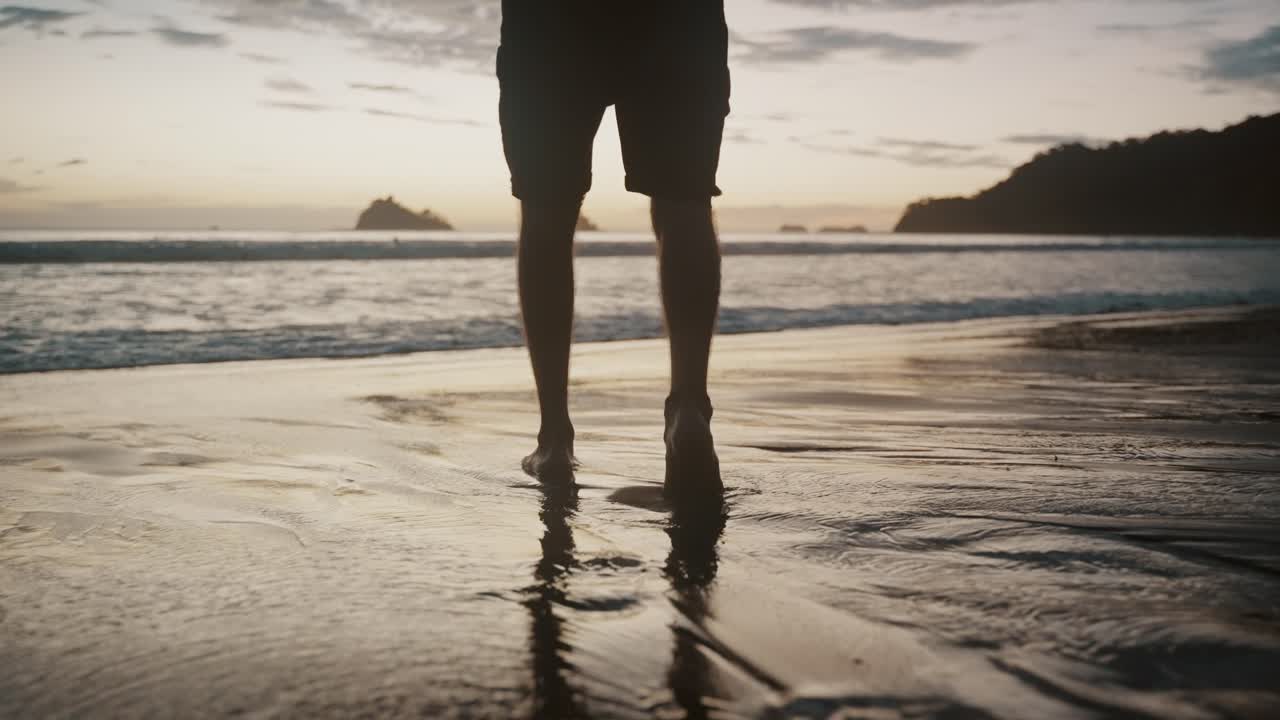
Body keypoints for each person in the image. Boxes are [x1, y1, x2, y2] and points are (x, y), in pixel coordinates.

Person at [498, 1, 729, 496]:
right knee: (684, 202)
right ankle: (688, 410)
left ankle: (554, 438)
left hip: (550, 21)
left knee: (547, 210)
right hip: (674, 18)